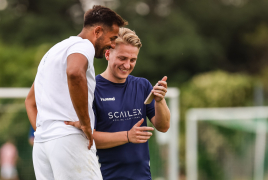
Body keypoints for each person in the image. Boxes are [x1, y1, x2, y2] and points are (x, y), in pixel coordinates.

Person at [24, 5, 127, 180]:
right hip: (69, 140)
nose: (112, 44)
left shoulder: (53, 52)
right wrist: (86, 123)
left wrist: (45, 133)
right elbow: (74, 72)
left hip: (42, 146)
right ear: (98, 31)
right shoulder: (83, 45)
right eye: (112, 38)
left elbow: (30, 101)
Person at [65, 27, 170, 180]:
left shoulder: (143, 85)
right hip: (104, 176)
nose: (127, 65)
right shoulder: (91, 89)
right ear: (107, 53)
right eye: (122, 58)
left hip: (142, 177)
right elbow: (87, 138)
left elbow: (163, 126)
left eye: (132, 60)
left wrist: (160, 101)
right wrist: (127, 136)